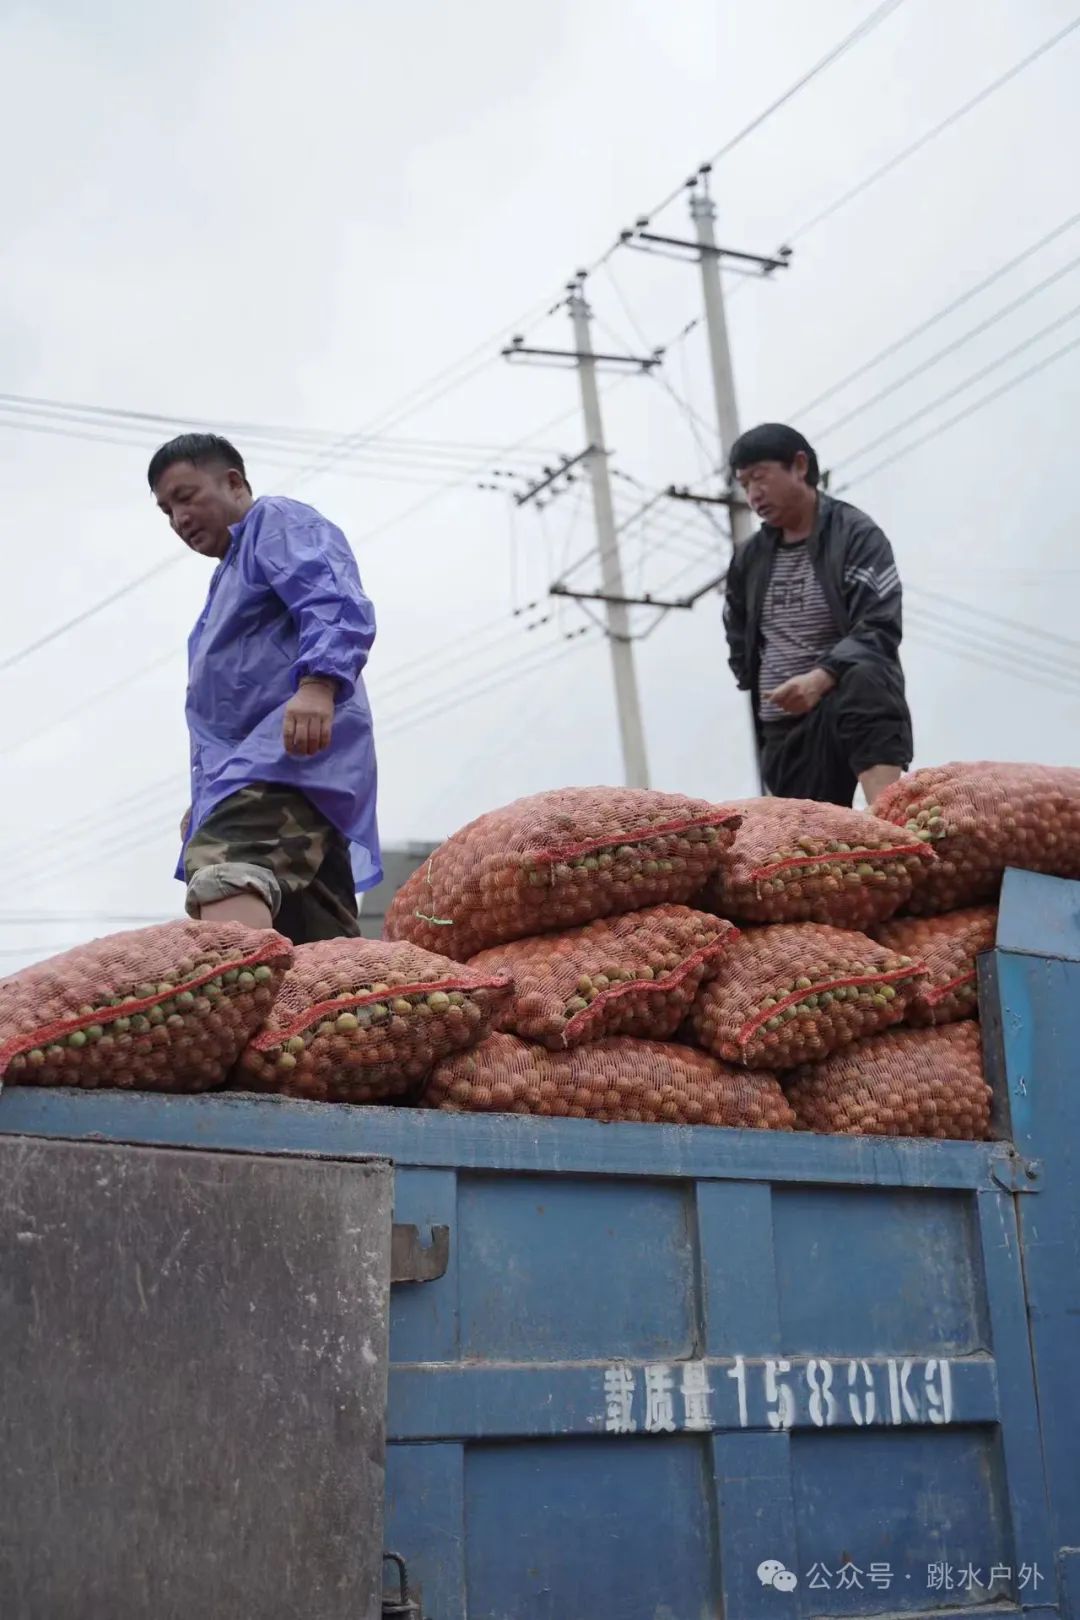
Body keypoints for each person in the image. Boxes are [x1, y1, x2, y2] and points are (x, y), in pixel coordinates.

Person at [148, 432, 380, 943]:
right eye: (167, 511)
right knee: (313, 928)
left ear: (233, 482)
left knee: (226, 862)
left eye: (186, 498)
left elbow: (332, 597)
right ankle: (337, 1013)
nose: (179, 519)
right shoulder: (221, 587)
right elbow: (221, 718)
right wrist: (208, 796)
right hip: (257, 766)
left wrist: (319, 683)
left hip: (286, 754)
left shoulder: (275, 523)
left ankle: (231, 1008)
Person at [723, 422, 912, 808]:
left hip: (847, 699)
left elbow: (878, 626)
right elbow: (738, 629)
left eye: (761, 478)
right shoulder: (750, 558)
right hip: (785, 723)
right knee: (808, 841)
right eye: (744, 485)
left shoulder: (855, 534)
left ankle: (888, 816)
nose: (754, 494)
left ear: (799, 465)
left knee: (867, 676)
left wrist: (820, 677)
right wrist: (755, 682)